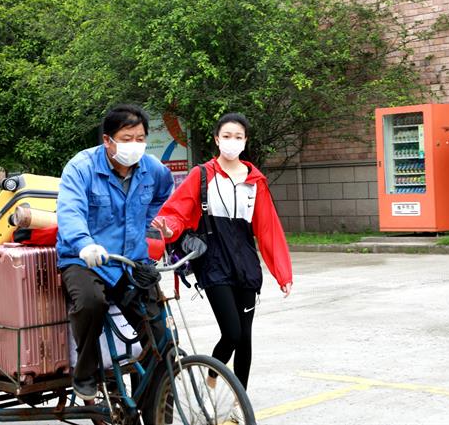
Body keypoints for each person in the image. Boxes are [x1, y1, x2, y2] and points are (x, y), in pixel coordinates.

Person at [152, 112, 293, 422]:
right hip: (214, 263)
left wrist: (282, 272)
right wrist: (167, 227)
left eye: (238, 137)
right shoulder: (202, 175)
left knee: (245, 338)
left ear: (245, 141)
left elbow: (268, 228)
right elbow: (177, 212)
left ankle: (237, 406)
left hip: (246, 265)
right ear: (217, 139)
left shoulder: (255, 181)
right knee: (231, 333)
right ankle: (213, 376)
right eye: (226, 136)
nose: (232, 141)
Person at [56, 104, 174, 401]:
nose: (135, 145)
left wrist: (149, 224)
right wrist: (84, 243)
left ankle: (155, 406)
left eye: (140, 138)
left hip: (131, 260)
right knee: (91, 303)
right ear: (107, 140)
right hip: (84, 259)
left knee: (162, 337)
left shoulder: (152, 169)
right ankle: (85, 371)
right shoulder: (81, 167)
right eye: (126, 138)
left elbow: (164, 194)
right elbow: (70, 211)